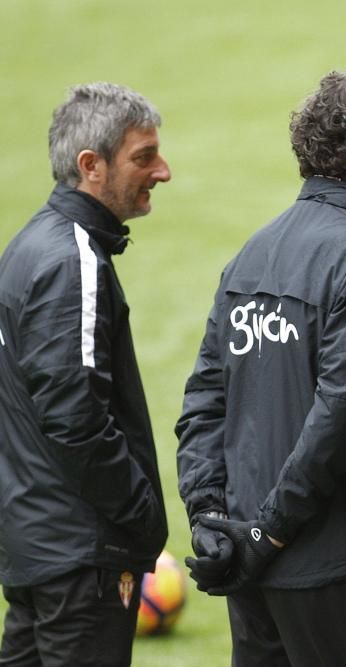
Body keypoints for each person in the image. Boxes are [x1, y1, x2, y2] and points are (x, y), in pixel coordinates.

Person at [176, 69, 346, 666]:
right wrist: (270, 531)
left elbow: (204, 401)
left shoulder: (252, 252)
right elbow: (341, 418)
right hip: (329, 569)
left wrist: (213, 518)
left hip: (250, 573)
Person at [0, 82, 170, 666]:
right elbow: (75, 419)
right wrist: (143, 515)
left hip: (34, 551)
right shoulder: (72, 259)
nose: (163, 171)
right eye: (143, 157)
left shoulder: (24, 248)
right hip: (80, 560)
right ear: (90, 166)